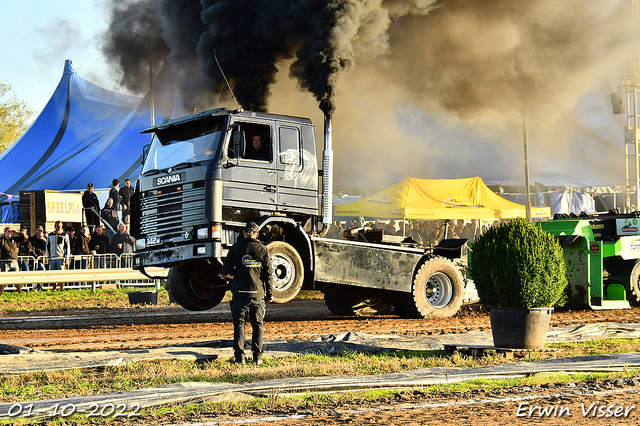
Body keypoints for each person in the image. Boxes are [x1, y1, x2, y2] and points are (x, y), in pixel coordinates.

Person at [220, 222, 274, 365]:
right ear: (256, 234)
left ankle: (240, 358)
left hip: (240, 295)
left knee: (239, 325)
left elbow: (225, 271)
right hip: (257, 295)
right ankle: (257, 358)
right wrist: (269, 294)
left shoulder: (236, 248)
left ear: (244, 233)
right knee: (258, 325)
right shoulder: (263, 249)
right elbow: (268, 275)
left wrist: (231, 274)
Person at [45, 220, 71, 290]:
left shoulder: (64, 235)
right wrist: (48, 256)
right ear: (55, 226)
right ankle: (54, 288)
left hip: (61, 257)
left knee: (61, 274)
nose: (58, 228)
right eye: (57, 226)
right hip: (52, 257)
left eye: (60, 226)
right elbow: (47, 246)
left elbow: (67, 247)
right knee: (53, 274)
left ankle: (61, 288)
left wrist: (67, 258)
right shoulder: (50, 235)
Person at [0, 226, 21, 294]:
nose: (10, 233)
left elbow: (25, 238)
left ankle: (19, 292)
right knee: (3, 279)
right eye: (8, 231)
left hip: (14, 261)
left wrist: (17, 232)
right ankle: (1, 293)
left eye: (11, 232)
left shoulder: (14, 240)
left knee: (17, 278)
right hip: (5, 261)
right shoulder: (1, 240)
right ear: (5, 232)